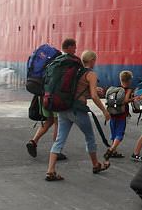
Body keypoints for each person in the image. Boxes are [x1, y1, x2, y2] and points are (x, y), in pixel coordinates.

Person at [45, 50, 111, 181]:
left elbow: (76, 90)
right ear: (92, 60)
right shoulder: (90, 74)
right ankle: (95, 165)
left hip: (64, 108)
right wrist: (104, 110)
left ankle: (50, 170)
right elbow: (93, 96)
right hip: (77, 111)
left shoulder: (75, 71)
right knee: (90, 137)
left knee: (60, 139)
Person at [26, 38, 76, 160]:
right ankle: (56, 150)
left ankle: (33, 141)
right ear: (69, 47)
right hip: (53, 96)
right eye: (74, 47)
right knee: (58, 121)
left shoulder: (52, 58)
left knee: (49, 121)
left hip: (42, 94)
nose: (75, 50)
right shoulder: (63, 61)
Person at [103, 71, 134, 160]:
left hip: (113, 113)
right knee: (119, 133)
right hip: (121, 114)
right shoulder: (128, 89)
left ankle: (114, 151)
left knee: (114, 132)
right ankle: (111, 150)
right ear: (129, 80)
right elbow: (125, 100)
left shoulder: (115, 89)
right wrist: (133, 99)